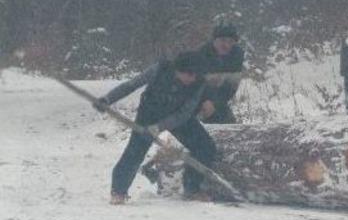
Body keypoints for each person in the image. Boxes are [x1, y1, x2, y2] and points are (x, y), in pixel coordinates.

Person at [94, 51, 215, 204]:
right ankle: (118, 191)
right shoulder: (160, 69)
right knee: (134, 152)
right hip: (149, 114)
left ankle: (192, 188)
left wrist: (159, 127)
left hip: (178, 117)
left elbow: (184, 114)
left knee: (205, 146)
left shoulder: (199, 83)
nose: (192, 79)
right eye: (188, 74)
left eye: (195, 75)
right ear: (178, 69)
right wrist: (108, 99)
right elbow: (131, 85)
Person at [197, 23, 244, 124]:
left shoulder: (236, 55)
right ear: (214, 40)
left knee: (230, 127)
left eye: (230, 42)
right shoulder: (202, 55)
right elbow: (194, 85)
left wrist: (214, 103)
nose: (226, 45)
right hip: (196, 100)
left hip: (218, 101)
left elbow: (231, 87)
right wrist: (205, 102)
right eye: (222, 40)